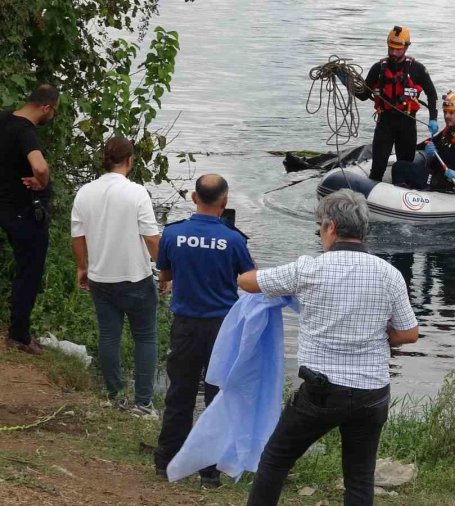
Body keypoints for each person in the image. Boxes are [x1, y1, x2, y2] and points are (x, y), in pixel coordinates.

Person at [238, 189, 419, 506]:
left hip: (321, 392)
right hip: (371, 392)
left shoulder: (309, 269)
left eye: (320, 226)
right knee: (360, 477)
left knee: (276, 459)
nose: (320, 233)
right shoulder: (389, 274)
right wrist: (379, 332)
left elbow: (248, 282)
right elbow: (409, 333)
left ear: (332, 227)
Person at [153, 174, 255, 489]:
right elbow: (249, 281)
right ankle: (209, 473)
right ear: (224, 203)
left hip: (185, 326)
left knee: (179, 394)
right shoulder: (235, 240)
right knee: (217, 398)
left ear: (194, 198)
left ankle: (167, 460)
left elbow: (166, 273)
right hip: (222, 328)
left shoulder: (173, 234)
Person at [71, 136, 161, 418]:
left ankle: (113, 395)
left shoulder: (85, 192)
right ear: (130, 161)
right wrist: (166, 270)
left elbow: (78, 235)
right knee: (145, 338)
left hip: (101, 278)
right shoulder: (137, 193)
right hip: (136, 278)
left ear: (105, 160)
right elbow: (151, 238)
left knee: (109, 337)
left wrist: (82, 267)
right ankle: (143, 403)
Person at [0, 84, 59, 354]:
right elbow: (40, 165)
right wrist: (42, 182)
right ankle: (19, 334)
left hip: (3, 204)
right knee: (29, 271)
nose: (52, 116)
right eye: (53, 111)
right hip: (22, 211)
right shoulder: (26, 132)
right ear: (46, 107)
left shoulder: (4, 119)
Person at [343, 25, 439, 182]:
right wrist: (345, 80)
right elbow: (363, 95)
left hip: (407, 124)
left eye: (398, 49)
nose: (394, 53)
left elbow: (432, 94)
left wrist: (433, 118)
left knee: (404, 167)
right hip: (385, 124)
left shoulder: (417, 69)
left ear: (406, 47)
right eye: (391, 48)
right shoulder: (378, 68)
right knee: (377, 168)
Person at [391, 90, 455, 192]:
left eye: (451, 113)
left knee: (399, 168)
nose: (446, 116)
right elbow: (434, 142)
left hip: (449, 181)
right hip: (439, 173)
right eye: (445, 112)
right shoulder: (450, 130)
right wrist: (421, 148)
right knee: (406, 164)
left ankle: (401, 198)